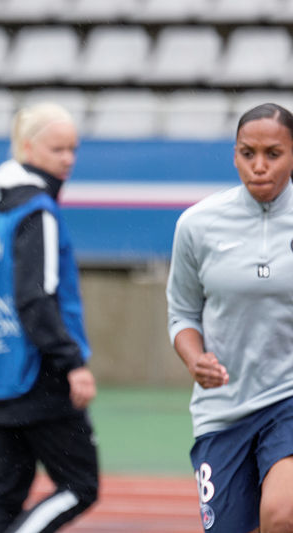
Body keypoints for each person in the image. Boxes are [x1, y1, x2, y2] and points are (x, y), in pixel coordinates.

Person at [0, 102, 99, 533]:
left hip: (3, 374)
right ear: (27, 147)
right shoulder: (37, 211)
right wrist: (72, 362)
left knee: (8, 491)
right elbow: (36, 299)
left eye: (73, 149)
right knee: (81, 484)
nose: (69, 159)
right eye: (58, 149)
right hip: (40, 374)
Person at [166, 102, 293, 533]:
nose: (259, 166)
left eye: (273, 154)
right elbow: (182, 313)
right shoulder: (197, 225)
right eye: (247, 153)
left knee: (281, 514)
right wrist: (194, 358)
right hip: (223, 411)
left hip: (288, 398)